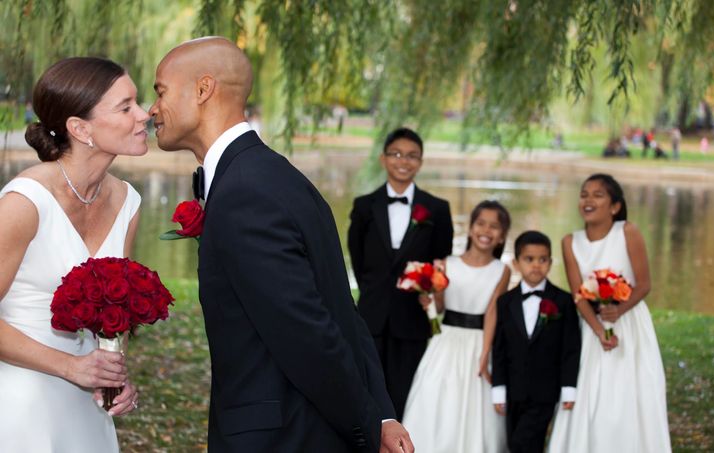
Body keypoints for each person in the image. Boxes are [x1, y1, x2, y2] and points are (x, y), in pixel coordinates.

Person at [149, 36, 412, 453]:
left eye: (160, 91)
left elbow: (307, 330)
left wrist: (368, 424)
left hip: (281, 439)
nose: (153, 108)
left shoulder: (244, 192)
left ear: (203, 90)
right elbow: (341, 309)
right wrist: (381, 411)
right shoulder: (276, 176)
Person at [0, 57, 144, 452]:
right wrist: (72, 367)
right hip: (19, 402)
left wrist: (114, 374)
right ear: (80, 129)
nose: (144, 115)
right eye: (126, 106)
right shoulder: (24, 202)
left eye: (139, 102)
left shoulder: (127, 202)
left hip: (86, 410)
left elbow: (112, 316)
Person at [547, 174, 672, 453]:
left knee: (627, 394)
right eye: (584, 194)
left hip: (628, 324)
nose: (588, 200)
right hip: (592, 329)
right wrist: (599, 329)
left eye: (597, 195)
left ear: (615, 206)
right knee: (592, 394)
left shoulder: (628, 232)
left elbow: (644, 284)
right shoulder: (570, 242)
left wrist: (618, 311)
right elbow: (579, 294)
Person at [348, 127, 454, 420]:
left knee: (406, 399)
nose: (403, 161)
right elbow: (359, 262)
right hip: (371, 316)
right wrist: (374, 291)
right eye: (396, 154)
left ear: (420, 162)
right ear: (383, 159)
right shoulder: (364, 207)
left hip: (413, 320)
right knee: (368, 397)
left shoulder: (437, 210)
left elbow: (440, 264)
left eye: (411, 156)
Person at [403, 200, 511, 452]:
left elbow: (492, 312)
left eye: (494, 227)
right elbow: (440, 308)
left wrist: (486, 354)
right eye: (481, 223)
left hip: (479, 342)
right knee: (437, 396)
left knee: (474, 406)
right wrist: (428, 299)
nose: (486, 231)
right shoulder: (447, 263)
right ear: (471, 228)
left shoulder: (501, 270)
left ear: (502, 235)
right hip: (447, 341)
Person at [492, 231, 581, 453]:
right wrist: (498, 389)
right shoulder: (505, 302)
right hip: (514, 389)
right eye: (529, 259)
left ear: (550, 262)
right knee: (517, 441)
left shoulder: (563, 301)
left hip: (545, 390)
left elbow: (570, 348)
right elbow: (499, 349)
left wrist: (569, 388)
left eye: (543, 260)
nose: (536, 266)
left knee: (523, 442)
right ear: (516, 262)